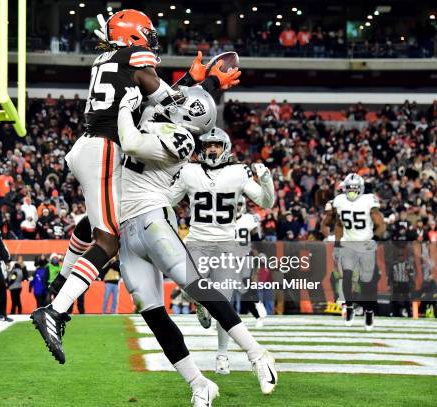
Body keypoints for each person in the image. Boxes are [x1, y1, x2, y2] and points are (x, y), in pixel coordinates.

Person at [32, 8, 241, 348]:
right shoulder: (134, 57)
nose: (151, 42)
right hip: (104, 149)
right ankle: (55, 310)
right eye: (146, 33)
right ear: (133, 36)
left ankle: (59, 288)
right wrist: (207, 84)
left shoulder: (110, 60)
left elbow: (155, 101)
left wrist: (192, 81)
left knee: (94, 222)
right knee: (109, 240)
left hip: (91, 147)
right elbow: (170, 105)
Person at [113, 86, 276, 402]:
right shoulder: (159, 124)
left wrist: (123, 107)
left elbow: (131, 142)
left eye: (181, 101)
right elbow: (155, 96)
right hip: (128, 226)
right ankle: (200, 385)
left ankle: (257, 354)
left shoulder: (183, 139)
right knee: (153, 314)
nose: (173, 100)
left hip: (152, 218)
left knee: (197, 286)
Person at [169, 128, 275, 376]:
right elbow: (167, 199)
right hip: (197, 241)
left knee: (224, 303)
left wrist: (267, 180)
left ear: (225, 148)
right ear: (202, 150)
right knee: (189, 287)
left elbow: (266, 202)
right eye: (208, 146)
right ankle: (201, 305)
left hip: (226, 245)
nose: (212, 149)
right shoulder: (189, 171)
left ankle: (222, 355)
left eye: (216, 145)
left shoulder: (238, 172)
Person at [332, 173, 385, 330]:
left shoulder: (368, 200)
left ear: (361, 189)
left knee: (367, 282)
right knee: (346, 276)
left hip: (365, 245)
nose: (352, 192)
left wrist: (374, 238)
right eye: (349, 189)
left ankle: (369, 311)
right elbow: (339, 225)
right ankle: (349, 308)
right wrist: (336, 244)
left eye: (355, 189)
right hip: (348, 244)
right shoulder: (340, 201)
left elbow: (381, 224)